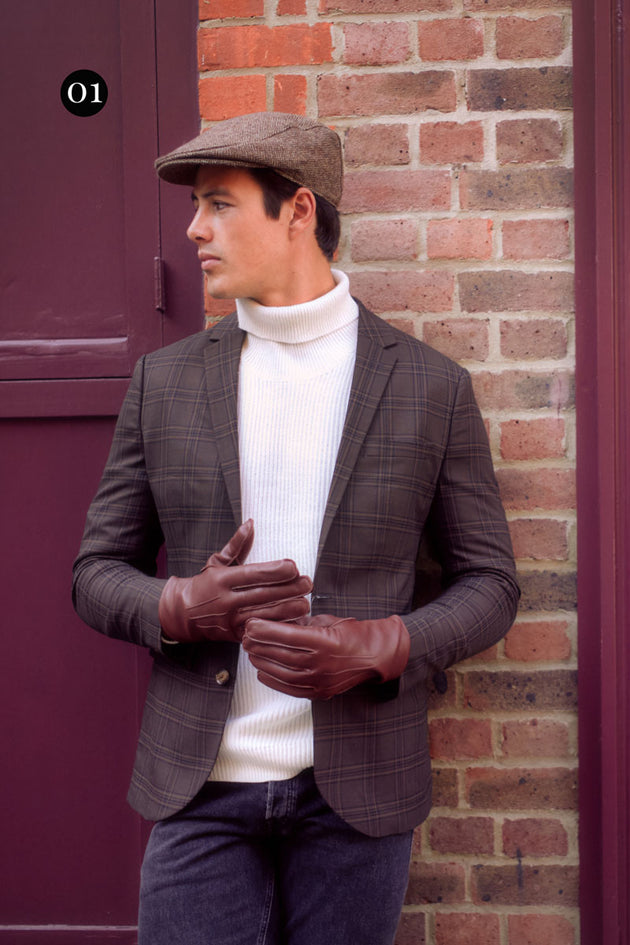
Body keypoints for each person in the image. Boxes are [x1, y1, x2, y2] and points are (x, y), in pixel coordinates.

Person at [72, 111, 519, 945]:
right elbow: (95, 570)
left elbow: (491, 584)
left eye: (219, 203)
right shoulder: (161, 384)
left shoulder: (429, 387)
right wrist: (179, 605)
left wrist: (389, 644)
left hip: (356, 793)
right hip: (199, 789)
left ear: (300, 211)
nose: (194, 229)